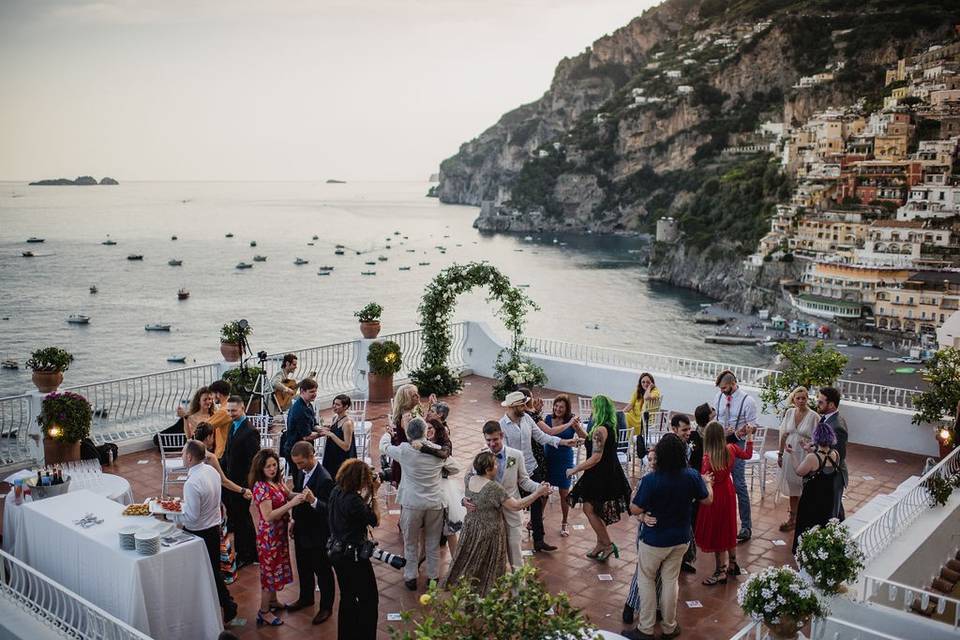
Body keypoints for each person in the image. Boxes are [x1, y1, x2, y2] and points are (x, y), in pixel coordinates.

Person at [626, 434, 713, 640]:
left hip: (654, 540)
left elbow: (635, 508)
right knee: (670, 581)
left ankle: (646, 628)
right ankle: (669, 626)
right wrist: (707, 483)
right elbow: (707, 500)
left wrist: (637, 507)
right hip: (681, 539)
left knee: (646, 580)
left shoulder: (651, 480)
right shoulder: (691, 475)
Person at [446, 451, 551, 594]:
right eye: (495, 464)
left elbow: (469, 468)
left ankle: (468, 594)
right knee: (490, 568)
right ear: (488, 469)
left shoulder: (469, 478)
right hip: (490, 533)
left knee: (471, 562)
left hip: (471, 530)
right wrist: (538, 493)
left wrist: (480, 455)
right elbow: (516, 506)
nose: (498, 466)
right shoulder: (493, 488)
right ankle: (487, 597)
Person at [380, 417, 460, 591]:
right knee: (432, 542)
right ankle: (433, 577)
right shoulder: (437, 450)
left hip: (412, 503)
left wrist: (387, 434)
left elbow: (384, 447)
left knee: (410, 542)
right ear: (425, 432)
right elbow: (456, 468)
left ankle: (410, 577)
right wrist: (440, 471)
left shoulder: (404, 450)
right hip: (434, 503)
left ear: (409, 433)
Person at [499, 390, 579, 553]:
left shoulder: (527, 418)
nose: (526, 406)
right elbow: (504, 452)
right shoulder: (501, 425)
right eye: (522, 404)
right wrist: (513, 471)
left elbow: (543, 437)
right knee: (511, 506)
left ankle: (539, 540)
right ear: (514, 406)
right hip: (513, 472)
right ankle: (507, 541)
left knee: (537, 501)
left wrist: (564, 442)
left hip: (531, 467)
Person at [177, 439, 238, 623]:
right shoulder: (212, 471)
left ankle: (225, 605)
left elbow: (192, 517)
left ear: (189, 457)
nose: (181, 456)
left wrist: (170, 515)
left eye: (182, 453)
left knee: (205, 572)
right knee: (213, 570)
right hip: (214, 528)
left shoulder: (192, 482)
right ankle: (226, 603)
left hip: (198, 532)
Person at [468, 420, 543, 568]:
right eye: (488, 440)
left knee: (516, 557)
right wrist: (464, 499)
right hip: (489, 516)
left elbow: (524, 481)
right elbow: (471, 482)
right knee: (490, 559)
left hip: (512, 513)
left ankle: (519, 590)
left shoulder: (516, 455)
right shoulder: (481, 457)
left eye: (495, 439)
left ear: (501, 435)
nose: (492, 444)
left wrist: (539, 487)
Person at [567, 394, 632, 562]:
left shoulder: (600, 429)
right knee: (595, 510)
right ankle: (601, 544)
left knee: (589, 509)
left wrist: (575, 469)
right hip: (605, 473)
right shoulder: (604, 427)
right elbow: (589, 440)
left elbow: (595, 457)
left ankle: (608, 544)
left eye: (594, 407)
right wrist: (577, 428)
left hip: (600, 475)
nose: (592, 411)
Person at [695, 420, 754, 586]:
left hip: (715, 493)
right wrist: (749, 435)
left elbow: (704, 478)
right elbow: (748, 454)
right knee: (728, 527)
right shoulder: (732, 449)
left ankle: (720, 571)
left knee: (717, 531)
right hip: (728, 491)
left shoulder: (708, 458)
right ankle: (733, 563)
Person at [328, 459, 381, 640]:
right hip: (354, 557)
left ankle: (346, 635)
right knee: (369, 599)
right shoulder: (353, 500)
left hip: (337, 552)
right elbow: (375, 519)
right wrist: (374, 494)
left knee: (348, 596)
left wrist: (364, 497)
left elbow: (356, 512)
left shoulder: (336, 492)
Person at [249, 449, 303, 626]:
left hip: (279, 534)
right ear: (260, 468)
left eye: (274, 465)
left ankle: (273, 601)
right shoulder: (260, 487)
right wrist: (291, 505)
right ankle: (264, 611)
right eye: (268, 466)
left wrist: (303, 496)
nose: (272, 469)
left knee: (277, 568)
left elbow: (288, 495)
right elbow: (268, 515)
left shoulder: (276, 482)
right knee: (270, 574)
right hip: (269, 538)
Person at [287, 441, 337, 624]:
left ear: (311, 456)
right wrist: (293, 520)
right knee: (303, 567)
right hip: (301, 529)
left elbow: (330, 509)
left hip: (317, 533)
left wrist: (314, 500)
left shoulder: (324, 478)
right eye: (296, 463)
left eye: (300, 463)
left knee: (322, 571)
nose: (298, 467)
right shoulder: (302, 472)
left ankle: (326, 607)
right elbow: (299, 496)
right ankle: (306, 597)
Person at [714, 370, 757, 543]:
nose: (723, 391)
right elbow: (716, 418)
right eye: (721, 389)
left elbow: (753, 426)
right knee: (716, 481)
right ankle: (718, 521)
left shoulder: (748, 401)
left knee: (739, 483)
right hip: (720, 442)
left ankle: (746, 526)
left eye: (725, 388)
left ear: (733, 384)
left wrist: (742, 431)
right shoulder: (718, 396)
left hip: (737, 443)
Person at [220, 396, 261, 567]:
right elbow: (229, 453)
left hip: (241, 485)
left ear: (243, 407)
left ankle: (247, 554)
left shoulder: (250, 431)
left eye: (234, 411)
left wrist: (246, 488)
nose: (230, 414)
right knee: (237, 518)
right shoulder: (232, 425)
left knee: (243, 519)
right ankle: (245, 551)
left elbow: (253, 462)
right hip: (231, 482)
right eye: (228, 411)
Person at [791, 421, 842, 554]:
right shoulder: (835, 454)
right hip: (828, 498)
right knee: (822, 525)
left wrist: (792, 454)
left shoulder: (812, 458)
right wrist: (809, 450)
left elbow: (799, 471)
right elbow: (823, 458)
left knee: (807, 525)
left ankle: (804, 552)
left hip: (812, 499)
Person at [542, 394, 585, 537]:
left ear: (566, 409)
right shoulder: (548, 419)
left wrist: (577, 427)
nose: (558, 409)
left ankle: (565, 522)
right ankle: (538, 519)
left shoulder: (571, 420)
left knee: (564, 493)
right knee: (544, 491)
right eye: (556, 406)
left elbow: (584, 437)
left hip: (564, 459)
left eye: (561, 407)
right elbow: (547, 434)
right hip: (549, 458)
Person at [776, 386, 818, 532]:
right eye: (798, 398)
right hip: (789, 454)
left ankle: (804, 519)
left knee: (805, 488)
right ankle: (792, 519)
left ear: (807, 399)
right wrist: (780, 454)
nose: (801, 401)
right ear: (793, 399)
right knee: (793, 487)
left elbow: (818, 439)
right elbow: (783, 434)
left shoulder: (814, 416)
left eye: (804, 398)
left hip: (804, 455)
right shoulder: (789, 412)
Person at [817, 386, 849, 520]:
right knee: (835, 507)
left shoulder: (837, 426)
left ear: (831, 404)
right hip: (827, 472)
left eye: (821, 402)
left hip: (833, 475)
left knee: (833, 511)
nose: (817, 404)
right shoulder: (827, 419)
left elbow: (838, 456)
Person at [279, 378, 320, 472]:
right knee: (299, 481)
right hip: (296, 451)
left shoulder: (308, 404)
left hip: (303, 449)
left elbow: (313, 423)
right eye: (311, 392)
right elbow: (307, 436)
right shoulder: (300, 409)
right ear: (302, 391)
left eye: (315, 391)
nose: (314, 394)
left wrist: (321, 428)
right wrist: (323, 433)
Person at [388, 384, 422, 487]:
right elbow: (412, 439)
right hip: (408, 456)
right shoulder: (407, 417)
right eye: (413, 395)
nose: (418, 396)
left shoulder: (411, 412)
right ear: (406, 399)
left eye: (417, 393)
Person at [625, 373, 662, 459]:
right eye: (643, 382)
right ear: (640, 383)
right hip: (635, 417)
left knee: (625, 419)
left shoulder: (655, 391)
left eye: (648, 382)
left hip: (645, 420)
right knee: (624, 417)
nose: (645, 384)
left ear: (652, 383)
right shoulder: (637, 392)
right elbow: (630, 405)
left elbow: (646, 397)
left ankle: (626, 446)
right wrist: (620, 413)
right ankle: (625, 447)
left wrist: (649, 387)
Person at [319, 394, 356, 479]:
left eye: (338, 405)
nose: (334, 406)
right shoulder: (335, 417)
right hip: (332, 455)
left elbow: (346, 447)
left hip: (341, 459)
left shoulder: (347, 424)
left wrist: (331, 435)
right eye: (334, 403)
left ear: (345, 407)